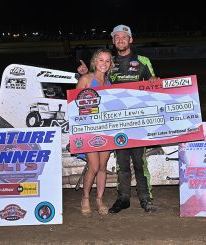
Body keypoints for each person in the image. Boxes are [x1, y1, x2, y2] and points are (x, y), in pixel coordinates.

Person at [77, 24, 158, 214]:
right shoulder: (109, 64)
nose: (120, 40)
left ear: (131, 40)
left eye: (124, 37)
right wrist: (81, 74)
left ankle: (146, 199)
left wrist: (155, 82)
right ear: (113, 41)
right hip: (113, 125)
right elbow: (89, 87)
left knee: (140, 162)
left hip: (138, 122)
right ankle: (123, 199)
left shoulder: (143, 60)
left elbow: (155, 85)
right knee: (121, 163)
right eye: (117, 37)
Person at [76, 48, 114, 216]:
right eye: (101, 60)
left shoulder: (109, 83)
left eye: (107, 61)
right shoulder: (86, 79)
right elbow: (74, 105)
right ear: (94, 62)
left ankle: (99, 199)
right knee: (94, 166)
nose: (104, 64)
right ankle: (85, 197)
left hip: (106, 131)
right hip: (89, 131)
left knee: (103, 167)